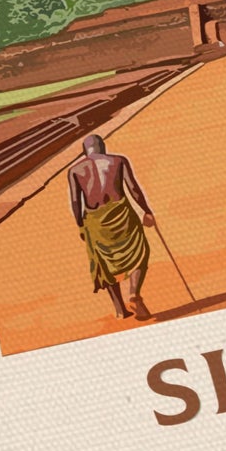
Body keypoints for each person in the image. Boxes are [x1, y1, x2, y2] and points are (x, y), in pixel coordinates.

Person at [67, 132, 157, 322]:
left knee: (103, 264)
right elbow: (133, 188)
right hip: (122, 214)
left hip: (95, 221)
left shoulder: (75, 170)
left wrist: (81, 225)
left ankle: (119, 309)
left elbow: (76, 201)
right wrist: (147, 211)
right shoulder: (118, 161)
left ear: (85, 152)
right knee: (139, 253)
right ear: (103, 148)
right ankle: (134, 293)